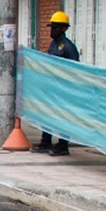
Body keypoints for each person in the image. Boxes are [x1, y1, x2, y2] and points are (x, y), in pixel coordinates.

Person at [33, 10, 79, 157]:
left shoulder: (68, 47)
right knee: (47, 114)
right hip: (51, 87)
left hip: (63, 88)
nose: (52, 30)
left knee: (62, 116)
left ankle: (63, 145)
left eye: (56, 27)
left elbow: (75, 69)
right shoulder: (53, 45)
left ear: (64, 28)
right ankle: (45, 141)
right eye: (51, 27)